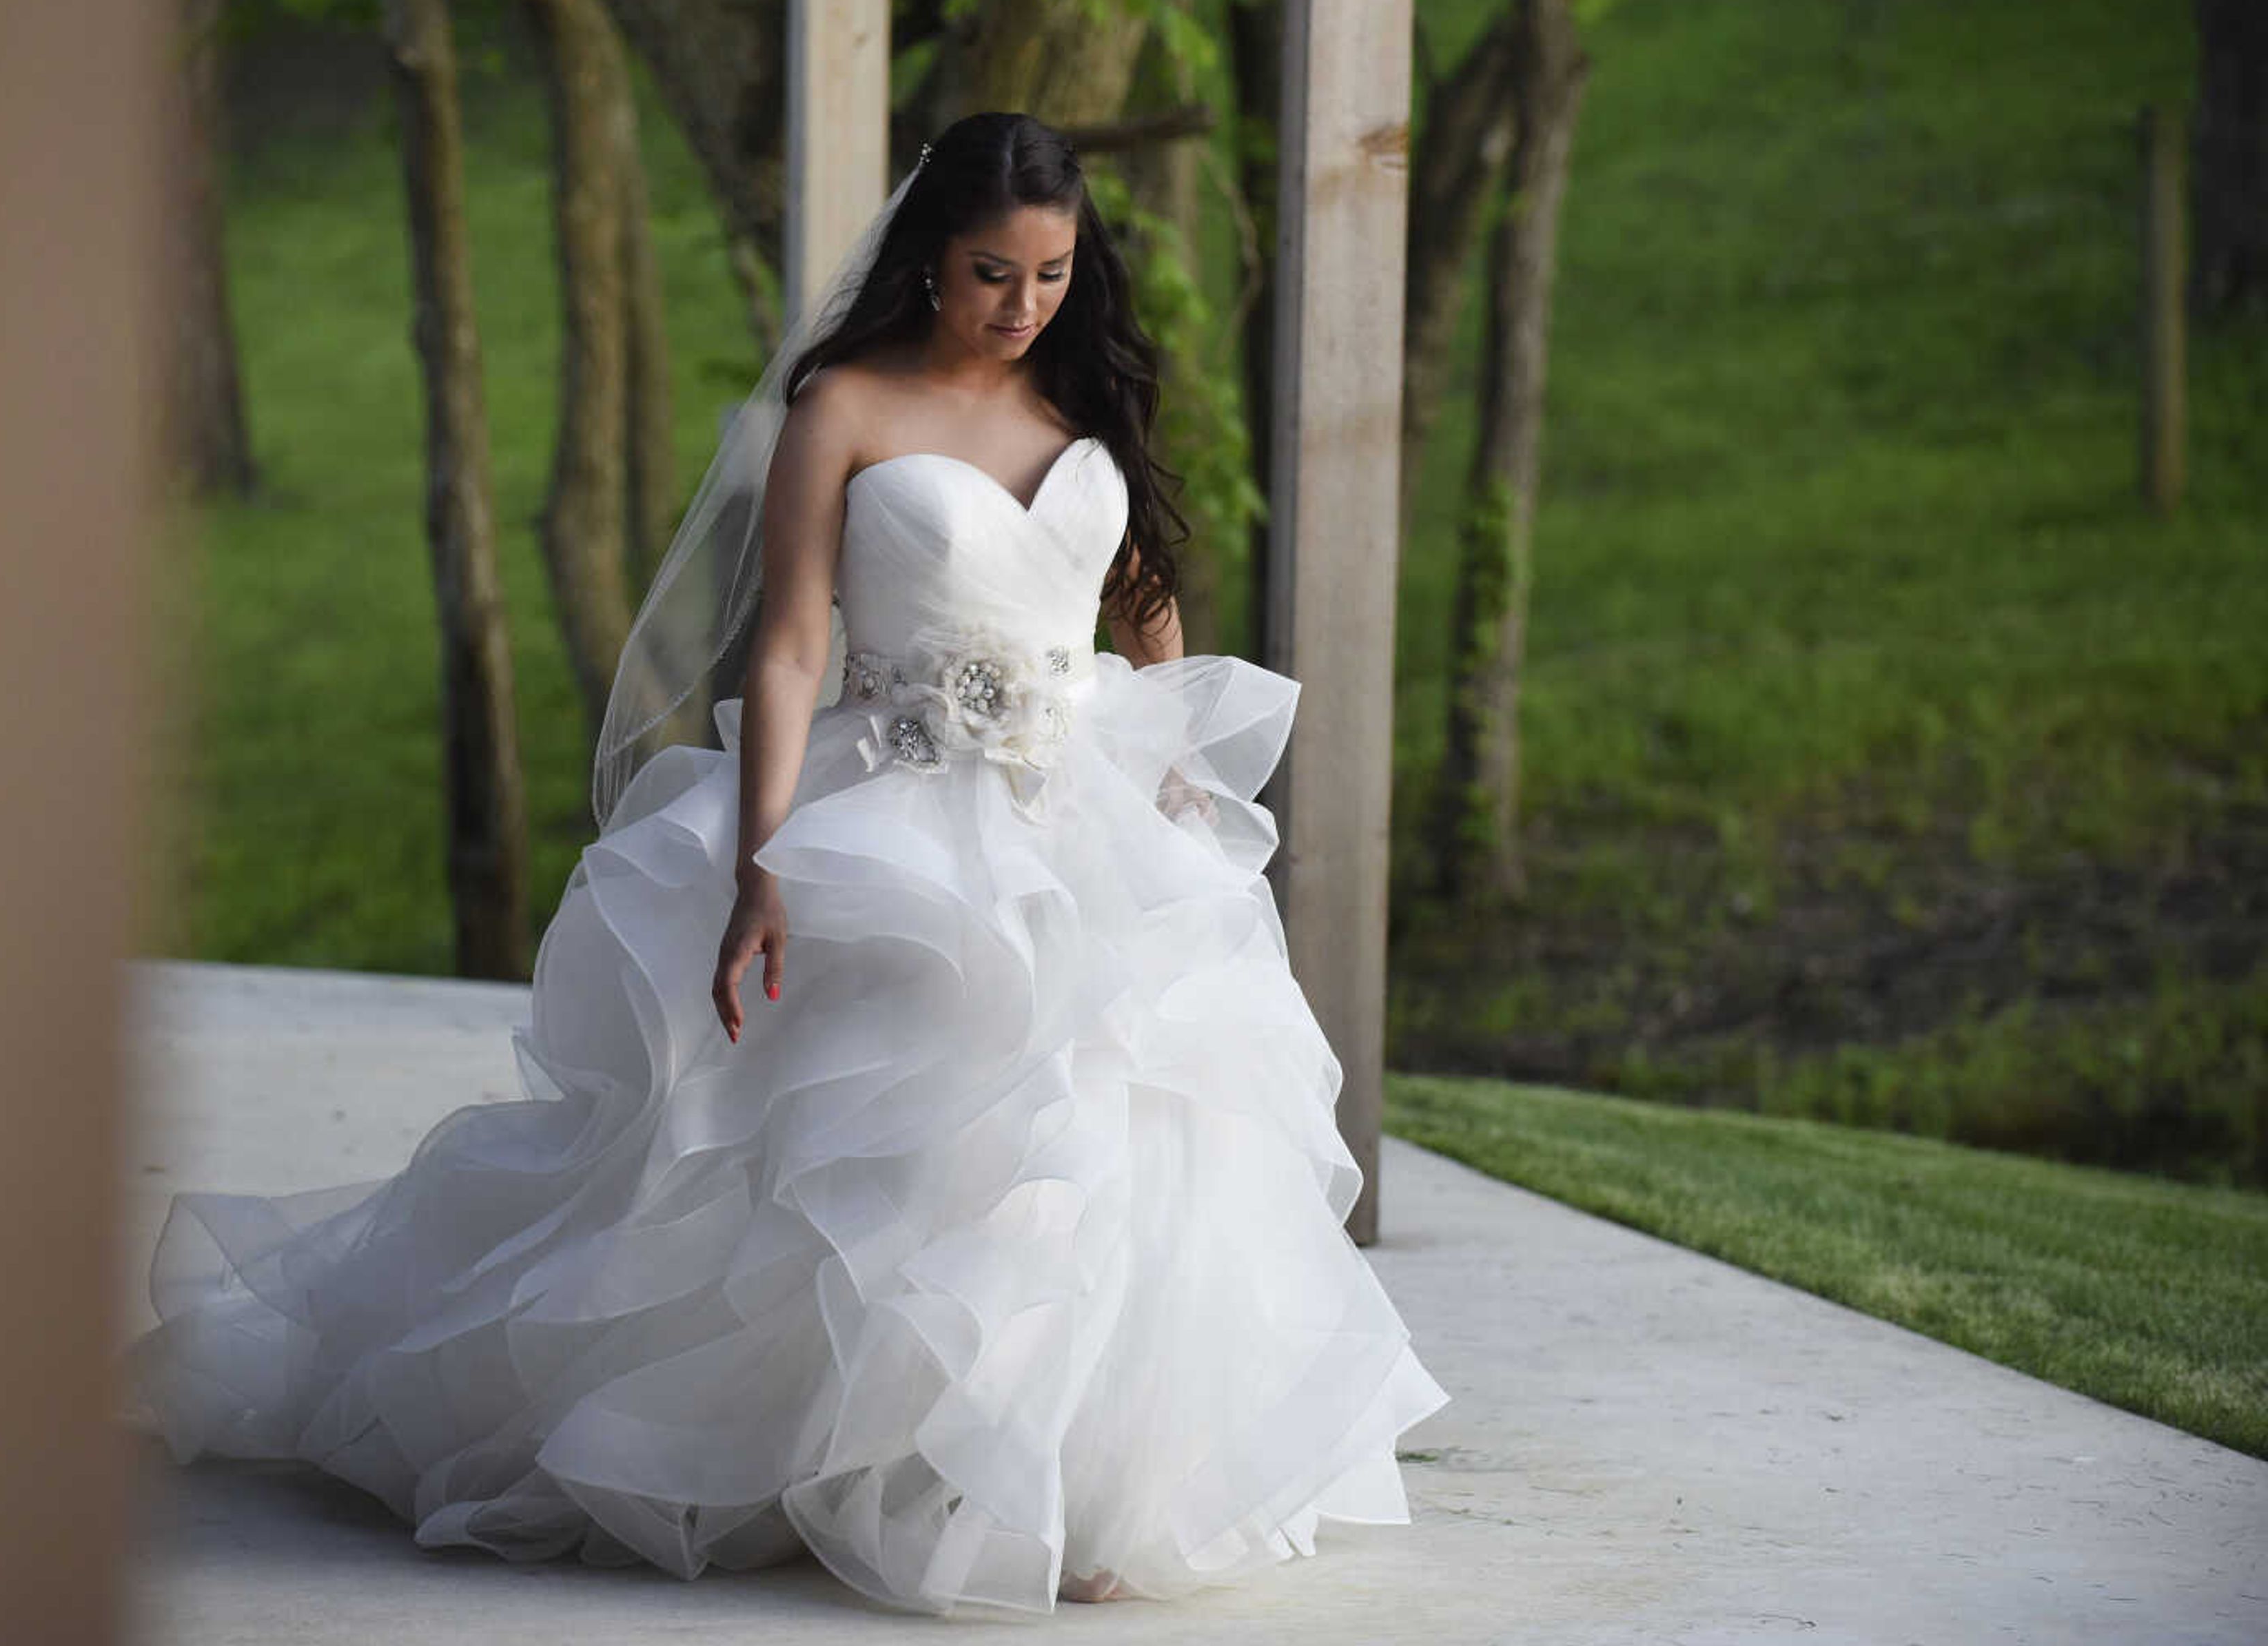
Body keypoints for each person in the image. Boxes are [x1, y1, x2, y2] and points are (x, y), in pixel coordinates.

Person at [121, 110, 1448, 1616]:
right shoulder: (847, 406)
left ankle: (1062, 1471)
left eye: (1054, 273)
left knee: (1108, 1124)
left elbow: (1141, 594)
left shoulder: (1081, 395)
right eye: (991, 272)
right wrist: (762, 863)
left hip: (1079, 808)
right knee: (897, 1126)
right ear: (927, 258)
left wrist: (1176, 762)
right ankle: (868, 1454)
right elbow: (796, 636)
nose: (1023, 306)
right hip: (899, 807)